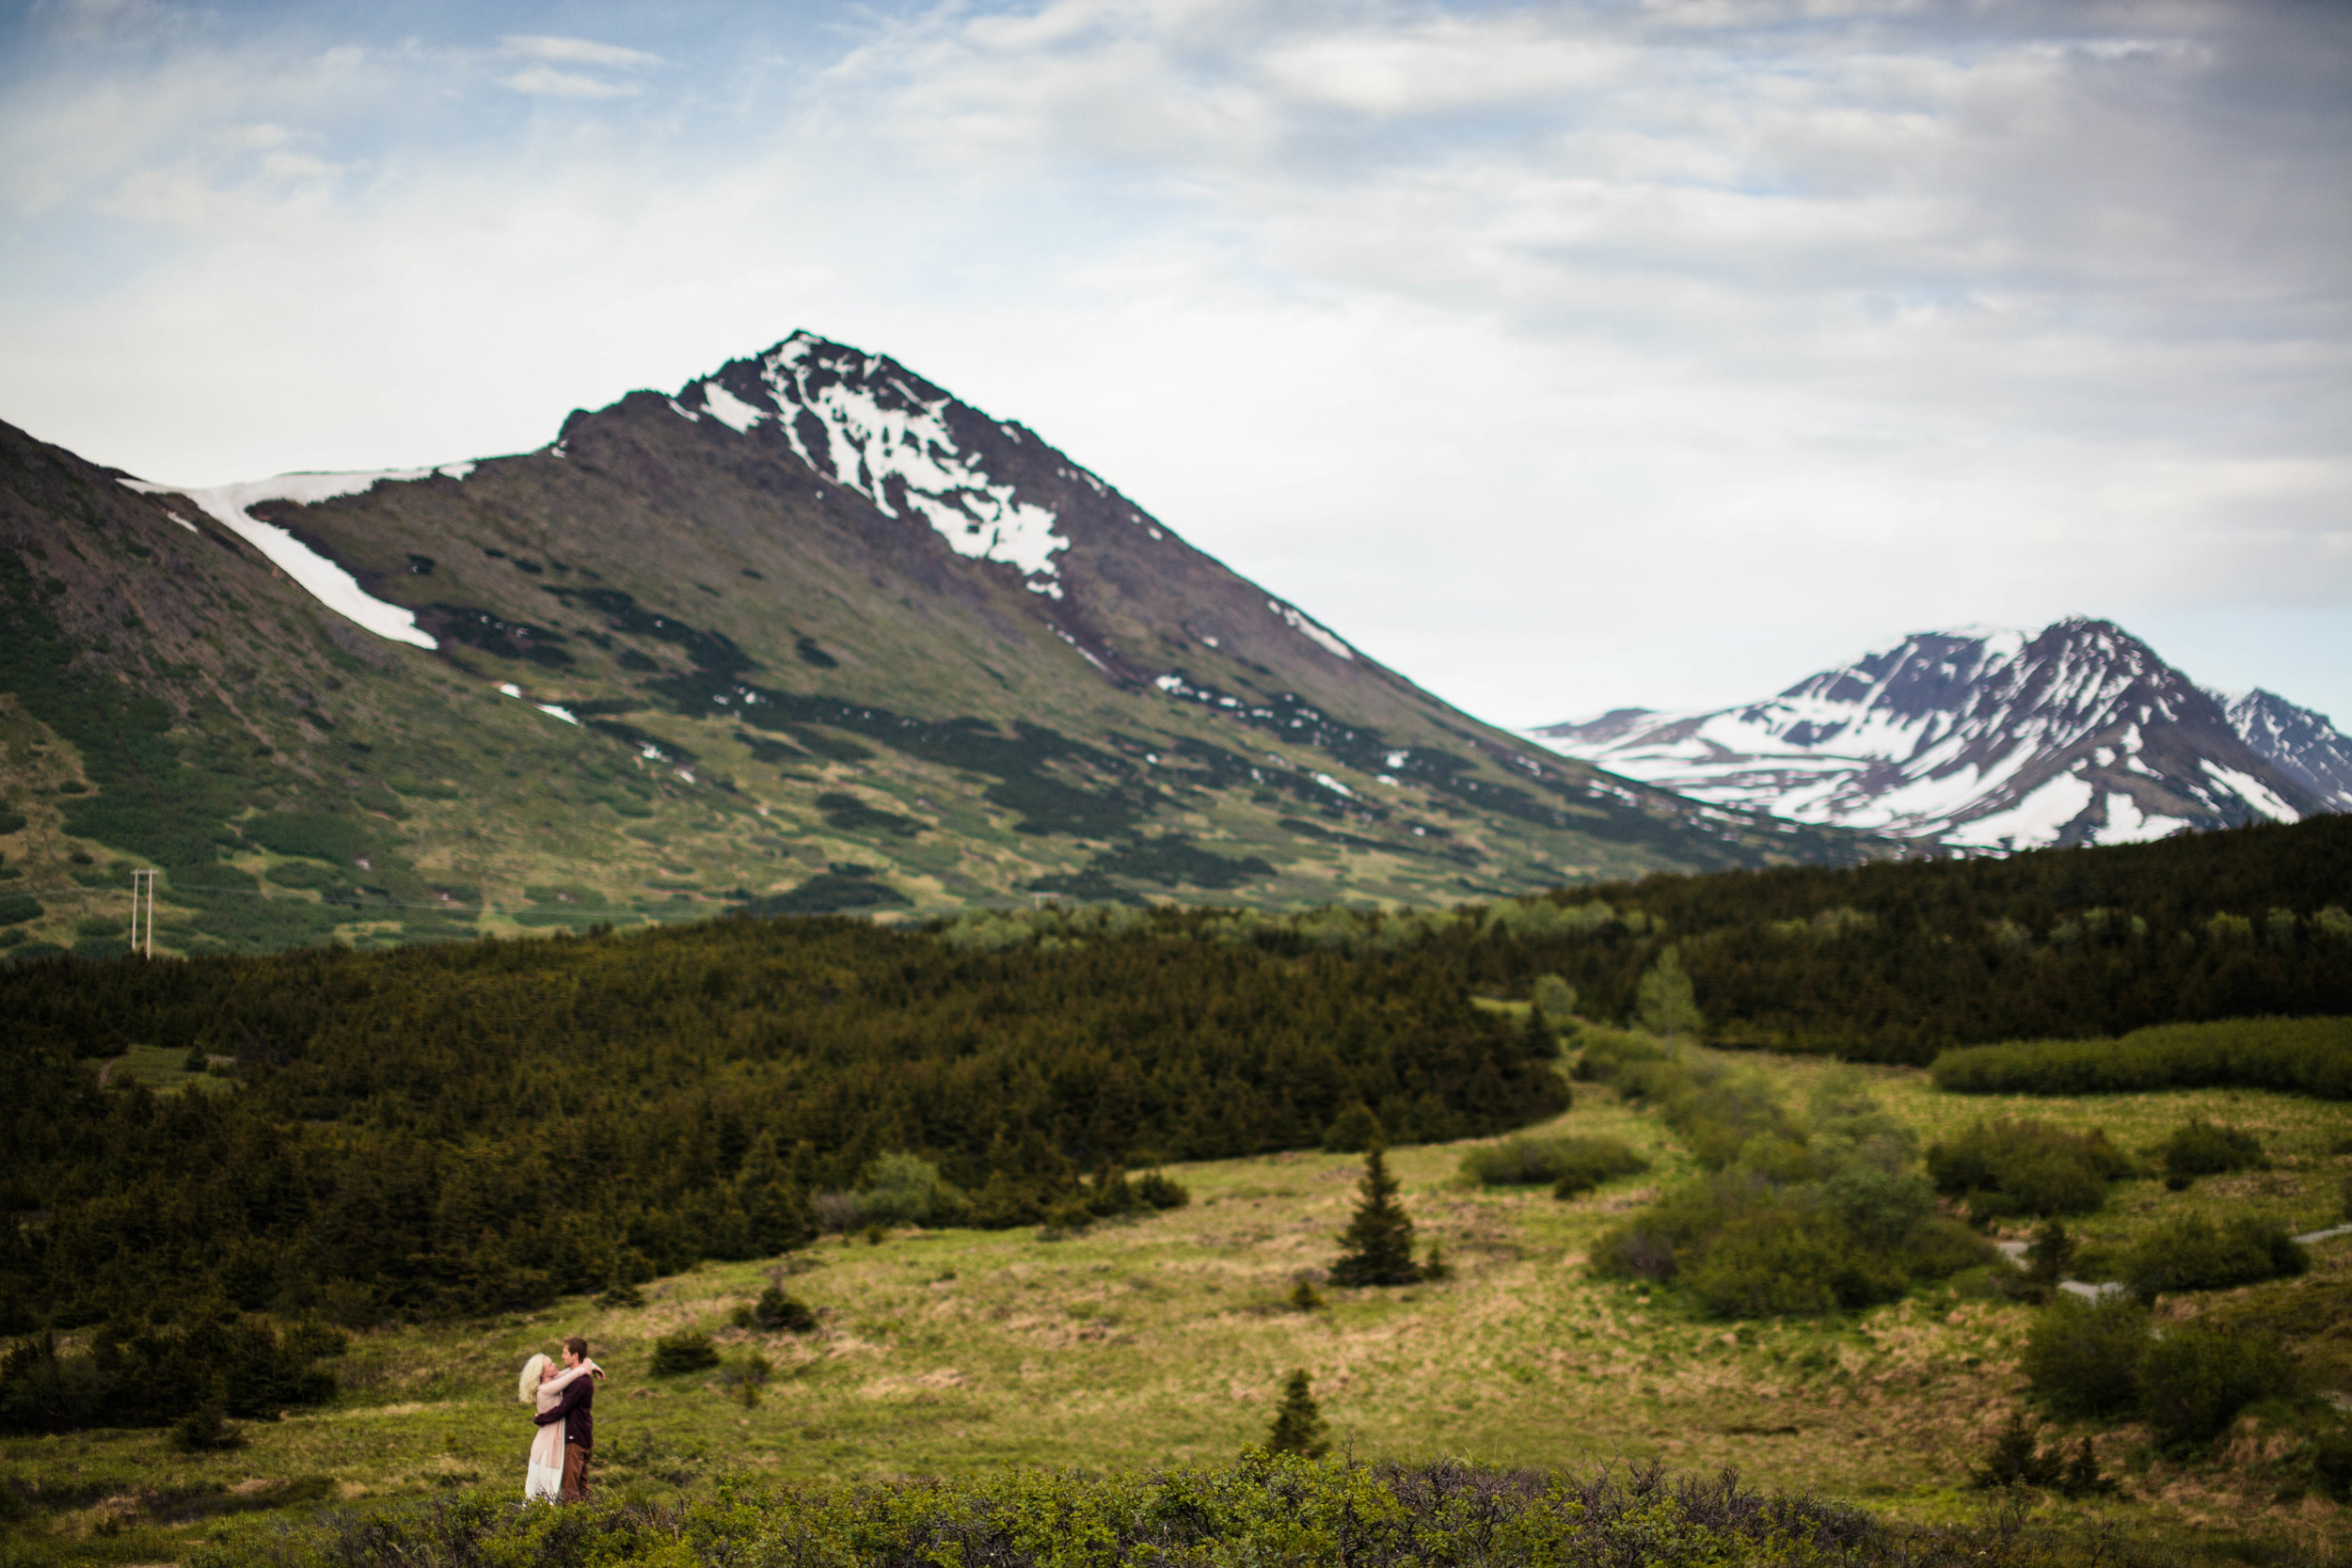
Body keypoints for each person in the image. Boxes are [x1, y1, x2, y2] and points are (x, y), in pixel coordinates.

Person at [517, 1340, 602, 1502]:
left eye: (564, 1353)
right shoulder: (546, 1389)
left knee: (570, 1488)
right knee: (562, 1488)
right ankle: (578, 1518)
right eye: (550, 1364)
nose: (558, 1359)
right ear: (543, 1374)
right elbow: (574, 1373)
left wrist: (590, 1366)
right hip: (550, 1444)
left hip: (564, 1441)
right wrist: (588, 1367)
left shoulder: (563, 1382)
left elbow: (572, 1376)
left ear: (574, 1355)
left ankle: (581, 1517)